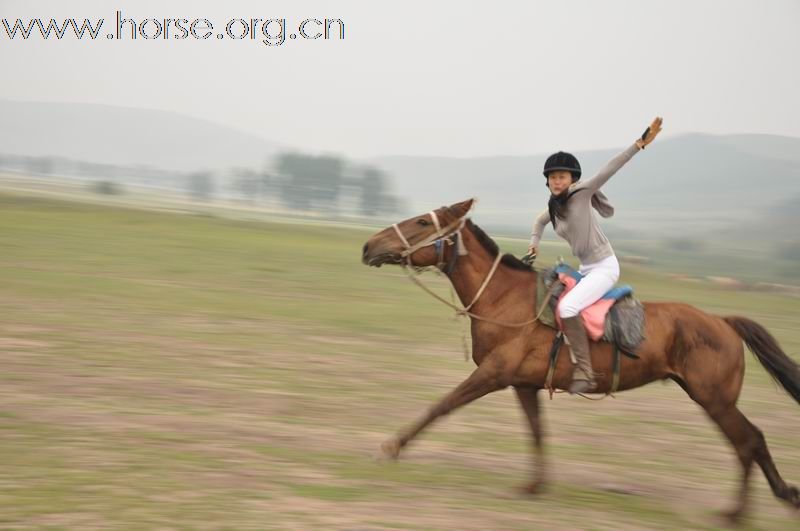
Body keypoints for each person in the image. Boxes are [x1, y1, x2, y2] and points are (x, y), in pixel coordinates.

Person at [524, 117, 663, 394]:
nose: (556, 181)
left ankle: (586, 371)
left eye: (562, 176)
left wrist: (639, 145)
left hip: (605, 267)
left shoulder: (581, 193)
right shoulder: (554, 207)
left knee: (567, 308)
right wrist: (534, 244)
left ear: (572, 179)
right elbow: (538, 223)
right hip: (587, 268)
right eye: (552, 177)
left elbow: (610, 168)